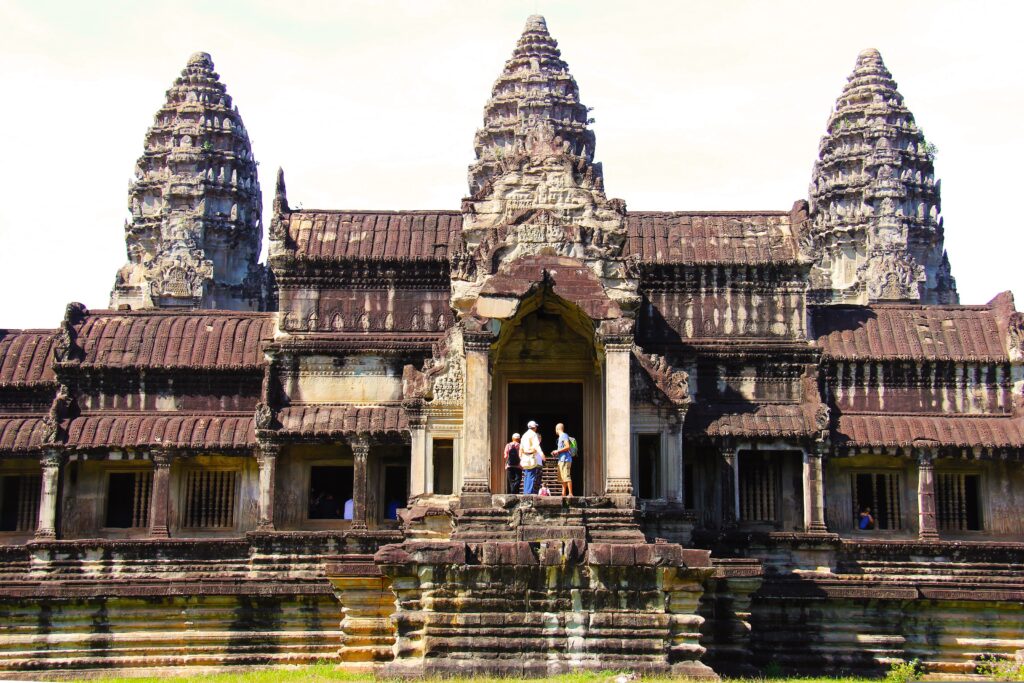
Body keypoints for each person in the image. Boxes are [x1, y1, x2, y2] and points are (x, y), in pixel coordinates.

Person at [551, 422, 577, 497]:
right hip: (562, 459)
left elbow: (567, 446)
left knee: (566, 476)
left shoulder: (564, 435)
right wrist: (556, 452)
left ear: (557, 429)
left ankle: (570, 493)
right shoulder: (561, 437)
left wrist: (557, 451)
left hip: (565, 459)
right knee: (563, 477)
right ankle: (563, 493)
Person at [519, 420, 544, 494]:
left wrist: (521, 457)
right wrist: (542, 454)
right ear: (534, 427)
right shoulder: (533, 434)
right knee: (531, 476)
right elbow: (536, 445)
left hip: (525, 457)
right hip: (531, 457)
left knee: (527, 476)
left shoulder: (524, 435)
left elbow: (521, 448)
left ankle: (525, 492)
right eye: (536, 426)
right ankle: (528, 493)